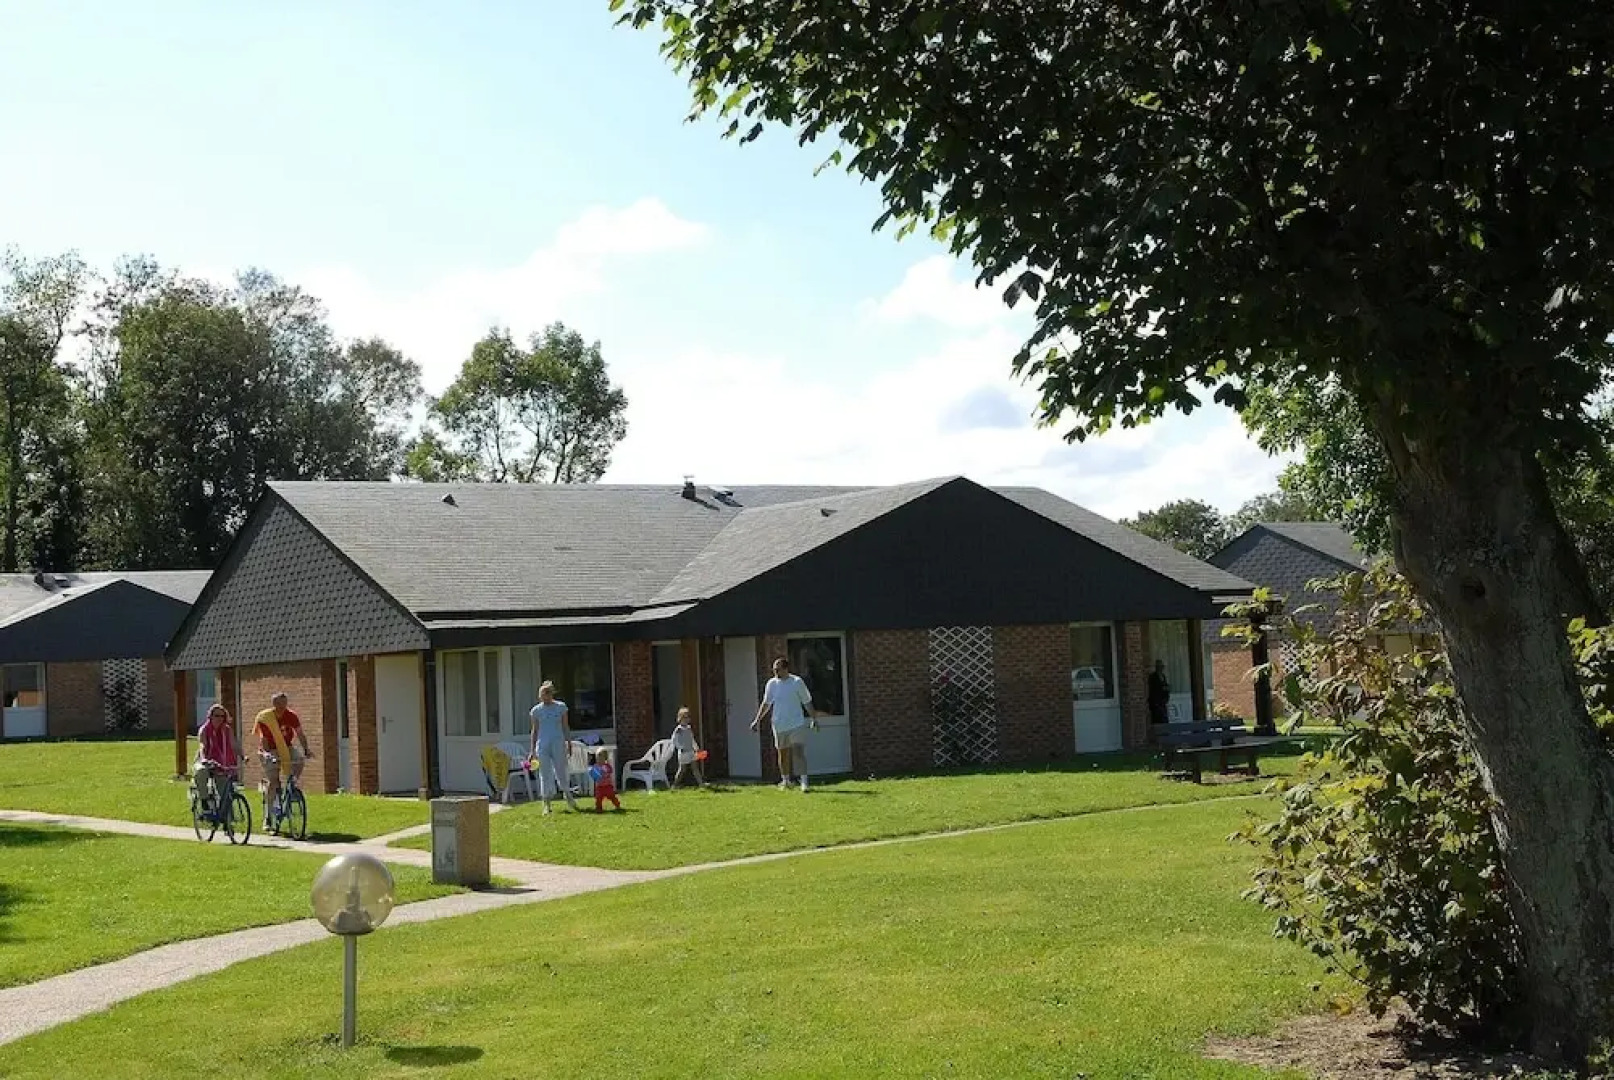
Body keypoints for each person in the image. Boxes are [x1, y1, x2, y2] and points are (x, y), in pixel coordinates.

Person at [752, 657, 817, 792]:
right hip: (779, 724)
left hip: (796, 723)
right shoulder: (771, 684)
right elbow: (766, 703)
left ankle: (804, 782)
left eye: (778, 669)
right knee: (782, 753)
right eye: (774, 669)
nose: (775, 672)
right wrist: (757, 720)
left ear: (786, 669)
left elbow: (807, 701)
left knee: (798, 752)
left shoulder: (797, 682)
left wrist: (813, 718)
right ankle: (786, 780)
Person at [254, 692, 312, 811]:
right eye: (279, 703)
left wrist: (306, 749)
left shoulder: (291, 716)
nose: (282, 706)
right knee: (273, 781)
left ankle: (292, 786)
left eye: (284, 703)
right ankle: (268, 814)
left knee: (299, 759)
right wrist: (268, 754)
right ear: (273, 704)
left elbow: (300, 734)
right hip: (269, 749)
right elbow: (264, 739)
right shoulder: (266, 717)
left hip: (286, 747)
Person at [528, 681, 578, 814]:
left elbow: (565, 726)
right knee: (544, 773)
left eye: (548, 693)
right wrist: (532, 750)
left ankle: (568, 795)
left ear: (552, 694)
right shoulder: (536, 711)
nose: (545, 696)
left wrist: (569, 742)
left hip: (557, 742)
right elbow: (535, 730)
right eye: (543, 694)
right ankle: (546, 803)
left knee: (561, 770)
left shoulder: (560, 707)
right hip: (543, 744)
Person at [193, 703, 240, 810]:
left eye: (222, 716)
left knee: (225, 793)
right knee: (201, 772)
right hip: (206, 760)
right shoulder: (204, 729)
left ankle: (226, 821)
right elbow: (202, 745)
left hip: (222, 763)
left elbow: (234, 745)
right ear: (210, 716)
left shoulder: (227, 730)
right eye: (216, 716)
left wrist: (242, 756)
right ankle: (204, 799)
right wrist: (204, 759)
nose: (219, 718)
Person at [670, 706, 706, 788]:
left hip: (691, 752)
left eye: (688, 717)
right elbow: (674, 740)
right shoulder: (678, 730)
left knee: (695, 768)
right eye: (684, 717)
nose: (686, 719)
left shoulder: (689, 728)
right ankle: (675, 784)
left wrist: (697, 748)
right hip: (683, 753)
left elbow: (692, 740)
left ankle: (701, 784)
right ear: (680, 718)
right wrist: (680, 747)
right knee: (682, 770)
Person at [589, 747, 621, 812]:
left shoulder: (607, 766)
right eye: (598, 758)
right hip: (599, 786)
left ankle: (617, 804)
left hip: (607, 786)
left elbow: (610, 771)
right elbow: (593, 773)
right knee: (598, 798)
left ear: (605, 758)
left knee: (611, 796)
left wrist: (604, 772)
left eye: (601, 758)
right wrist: (592, 772)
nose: (599, 760)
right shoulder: (596, 766)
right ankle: (599, 808)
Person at [1147, 660, 1172, 725]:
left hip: (1163, 703)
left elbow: (1165, 687)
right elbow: (1153, 690)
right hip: (1156, 704)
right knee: (1158, 720)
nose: (1161, 668)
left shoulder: (1163, 676)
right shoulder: (1152, 677)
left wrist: (1167, 689)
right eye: (1159, 666)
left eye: (1162, 667)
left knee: (1164, 720)